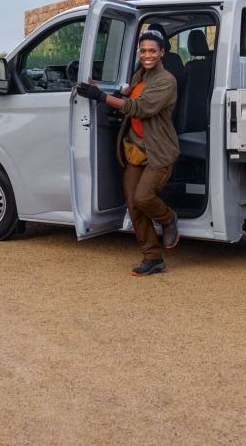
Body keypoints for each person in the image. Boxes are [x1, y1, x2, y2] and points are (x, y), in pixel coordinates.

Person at [77, 29, 181, 276]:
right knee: (133, 204)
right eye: (143, 51)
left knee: (144, 198)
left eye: (152, 51)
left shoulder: (166, 80)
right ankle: (152, 257)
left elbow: (139, 108)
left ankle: (168, 219)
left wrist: (101, 97)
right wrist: (100, 89)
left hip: (159, 152)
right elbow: (128, 95)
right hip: (135, 149)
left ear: (162, 52)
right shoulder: (139, 76)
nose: (147, 55)